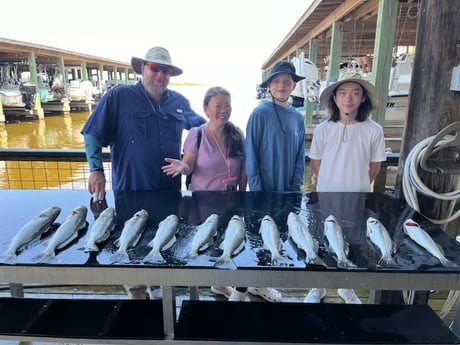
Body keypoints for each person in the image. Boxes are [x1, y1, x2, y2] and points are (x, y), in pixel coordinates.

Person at [81, 46, 206, 299]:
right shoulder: (118, 96)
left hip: (169, 192)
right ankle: (138, 294)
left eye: (165, 70)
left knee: (167, 241)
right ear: (142, 69)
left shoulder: (179, 102)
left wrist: (230, 143)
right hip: (131, 190)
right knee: (130, 245)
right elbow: (93, 133)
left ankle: (164, 288)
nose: (160, 74)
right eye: (154, 68)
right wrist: (96, 170)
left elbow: (204, 132)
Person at [162, 86, 254, 302]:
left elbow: (243, 169)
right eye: (218, 106)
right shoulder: (197, 134)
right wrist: (182, 168)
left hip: (231, 202)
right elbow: (189, 164)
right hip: (203, 203)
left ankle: (220, 284)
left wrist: (242, 195)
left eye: (227, 105)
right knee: (206, 245)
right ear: (206, 109)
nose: (223, 110)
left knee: (231, 244)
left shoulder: (236, 133)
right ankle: (208, 288)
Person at [305, 71, 387, 304]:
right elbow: (316, 162)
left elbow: (375, 166)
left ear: (363, 98)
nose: (348, 98)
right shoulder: (323, 129)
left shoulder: (374, 130)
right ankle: (317, 287)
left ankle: (346, 287)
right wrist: (332, 183)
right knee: (322, 238)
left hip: (357, 197)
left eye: (355, 93)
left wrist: (356, 183)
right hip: (326, 196)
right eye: (342, 93)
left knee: (353, 239)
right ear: (334, 98)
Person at [236, 61, 306, 303]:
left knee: (280, 235)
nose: (281, 86)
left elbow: (300, 154)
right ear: (269, 86)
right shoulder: (259, 114)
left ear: (293, 85)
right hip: (262, 188)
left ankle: (262, 284)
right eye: (276, 81)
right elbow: (251, 152)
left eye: (287, 81)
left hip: (286, 189)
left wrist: (296, 185)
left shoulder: (297, 117)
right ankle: (244, 287)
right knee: (257, 236)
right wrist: (255, 187)